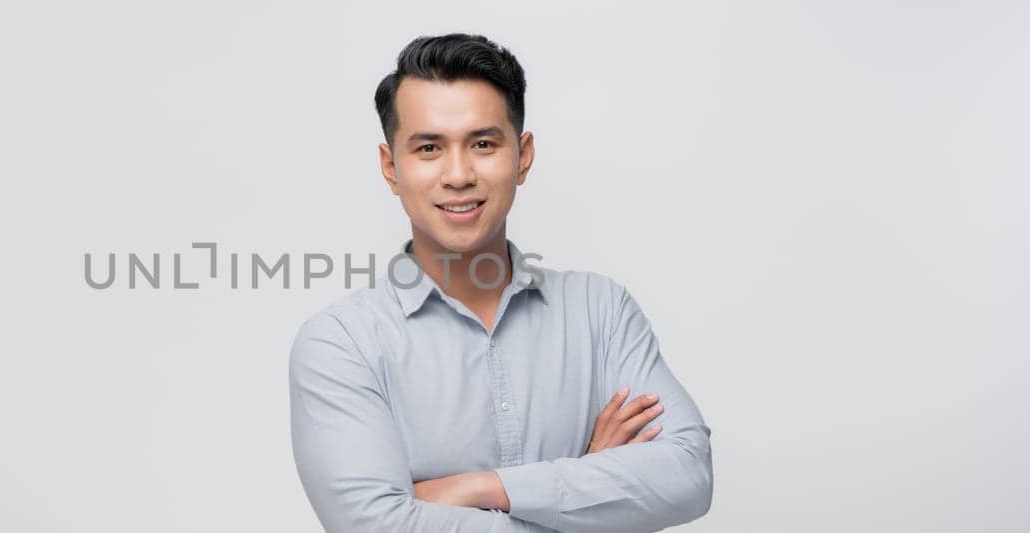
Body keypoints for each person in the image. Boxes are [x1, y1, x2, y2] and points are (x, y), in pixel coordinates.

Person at [287, 33, 714, 532]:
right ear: (391, 167)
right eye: (428, 148)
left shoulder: (601, 311)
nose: (459, 174)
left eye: (483, 144)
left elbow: (689, 473)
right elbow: (377, 527)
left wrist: (485, 487)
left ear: (523, 155)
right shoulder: (340, 345)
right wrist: (590, 488)